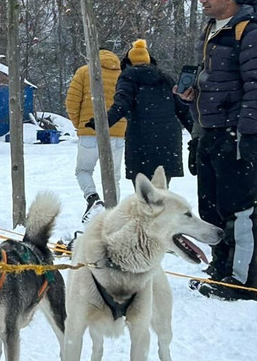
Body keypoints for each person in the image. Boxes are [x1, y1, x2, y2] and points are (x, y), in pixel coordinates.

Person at [177, 0, 257, 301]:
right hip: (209, 132)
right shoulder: (211, 30)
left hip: (236, 135)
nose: (201, 0)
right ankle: (220, 270)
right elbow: (216, 82)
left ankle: (241, 283)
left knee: (239, 211)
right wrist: (192, 97)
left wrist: (247, 136)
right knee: (211, 209)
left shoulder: (250, 32)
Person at [92, 39, 192, 185]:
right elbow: (183, 110)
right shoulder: (166, 78)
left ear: (128, 62)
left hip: (141, 139)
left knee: (143, 191)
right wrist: (196, 132)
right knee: (161, 189)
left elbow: (122, 103)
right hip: (168, 140)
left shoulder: (128, 77)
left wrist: (103, 122)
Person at [65, 48, 126, 223]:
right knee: (114, 177)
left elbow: (71, 103)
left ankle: (92, 198)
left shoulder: (85, 72)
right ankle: (112, 213)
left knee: (83, 170)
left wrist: (80, 124)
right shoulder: (123, 75)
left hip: (90, 131)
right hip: (117, 133)